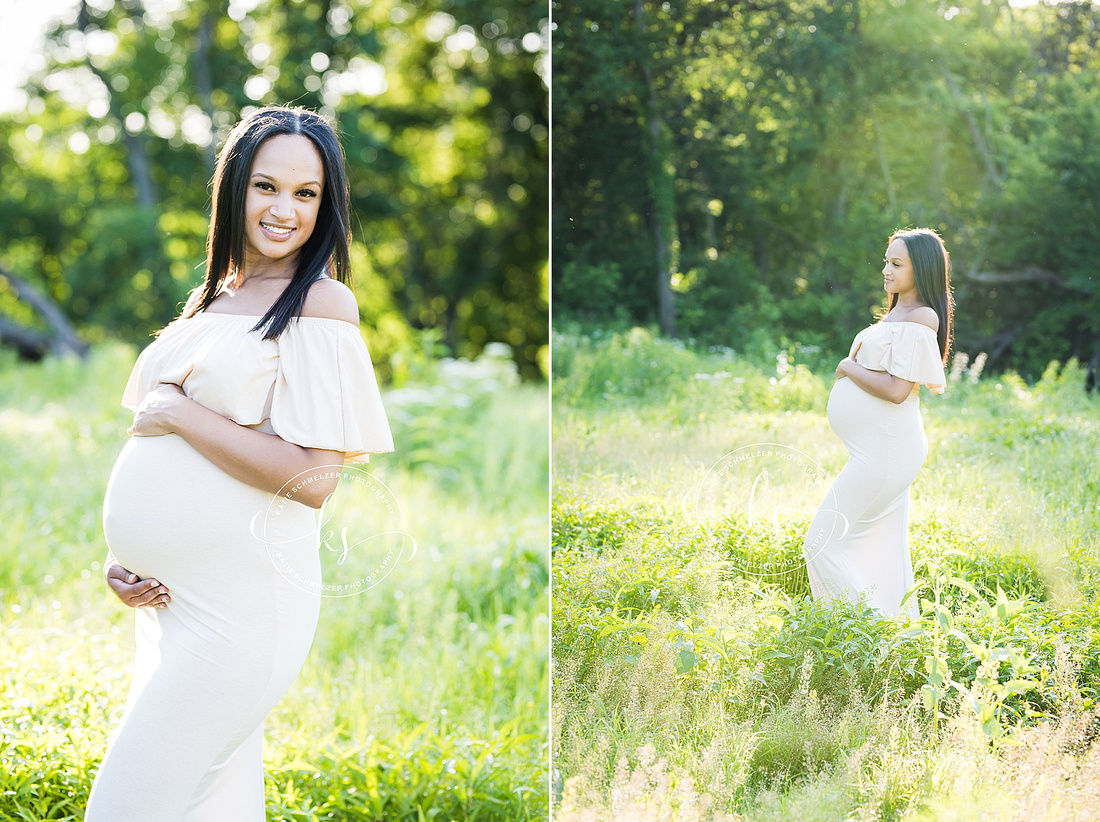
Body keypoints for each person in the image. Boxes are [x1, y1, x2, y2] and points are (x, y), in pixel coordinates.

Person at [86, 105, 394, 821]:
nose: (284, 209)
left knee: (124, 807)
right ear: (234, 190)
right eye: (266, 186)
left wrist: (181, 414)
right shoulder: (213, 298)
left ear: (326, 205)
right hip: (171, 608)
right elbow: (157, 447)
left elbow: (315, 478)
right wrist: (122, 555)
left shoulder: (319, 303)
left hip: (241, 614)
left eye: (306, 193)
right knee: (204, 809)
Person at [802, 228, 953, 618]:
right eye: (887, 261)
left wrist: (847, 367)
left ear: (921, 270)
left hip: (886, 453)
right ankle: (893, 637)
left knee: (819, 541)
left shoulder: (922, 317)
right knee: (880, 549)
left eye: (896, 264)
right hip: (879, 450)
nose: (886, 270)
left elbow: (897, 390)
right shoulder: (897, 313)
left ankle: (865, 629)